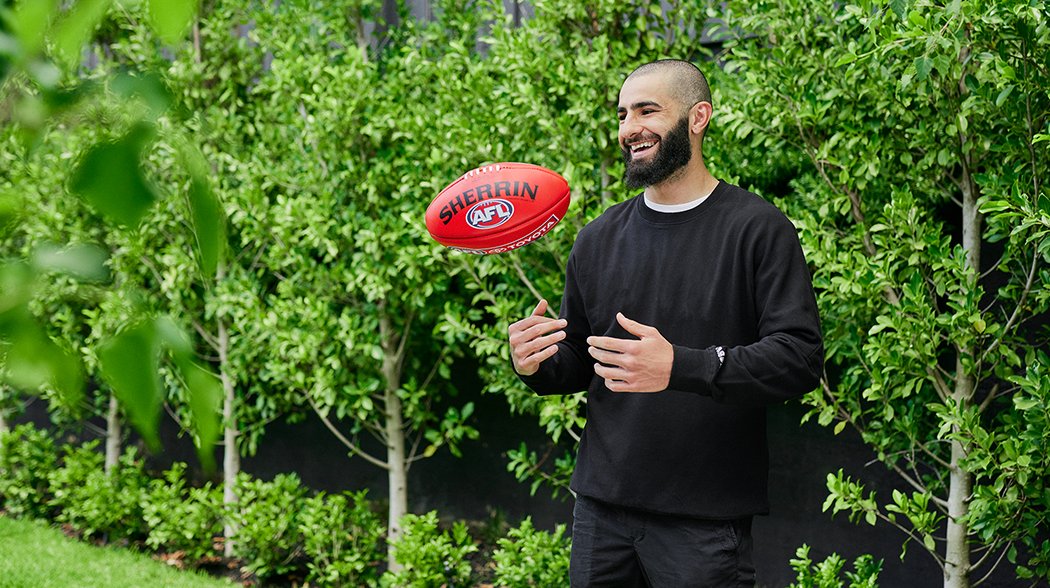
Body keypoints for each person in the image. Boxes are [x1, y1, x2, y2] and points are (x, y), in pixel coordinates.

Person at [507, 59, 824, 587]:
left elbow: (799, 359)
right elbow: (578, 364)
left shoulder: (757, 229)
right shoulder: (597, 238)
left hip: (703, 522)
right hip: (601, 513)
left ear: (698, 117)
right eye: (623, 113)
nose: (630, 127)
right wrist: (535, 362)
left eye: (648, 110)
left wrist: (682, 365)